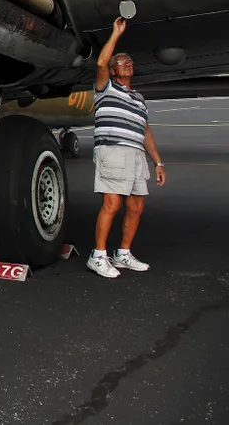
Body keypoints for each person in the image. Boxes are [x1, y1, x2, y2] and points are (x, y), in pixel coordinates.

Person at [87, 16, 167, 279]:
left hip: (136, 155)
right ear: (112, 71)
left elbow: (145, 131)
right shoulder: (105, 88)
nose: (127, 63)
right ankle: (98, 256)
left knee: (135, 206)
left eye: (129, 61)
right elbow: (100, 61)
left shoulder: (138, 98)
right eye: (121, 62)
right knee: (112, 203)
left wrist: (158, 162)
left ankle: (123, 253)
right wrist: (116, 34)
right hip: (113, 150)